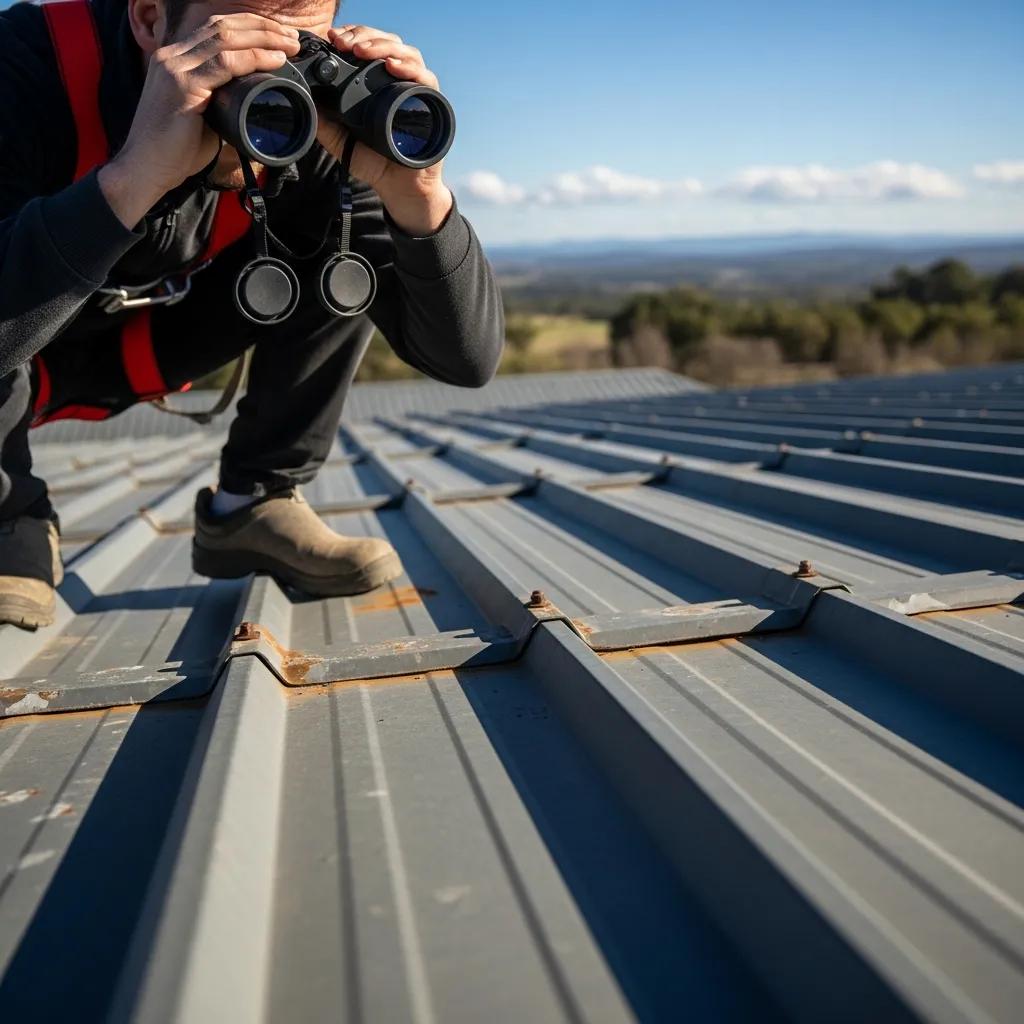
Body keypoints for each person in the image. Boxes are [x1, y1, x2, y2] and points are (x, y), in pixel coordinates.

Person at [0, 0, 504, 629]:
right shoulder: (25, 63)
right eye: (237, 47)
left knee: (339, 243)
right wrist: (133, 178)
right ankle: (9, 519)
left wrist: (418, 191)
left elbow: (465, 358)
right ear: (151, 20)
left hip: (143, 347)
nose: (275, 81)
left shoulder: (312, 133)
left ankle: (254, 499)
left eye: (297, 52)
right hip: (17, 343)